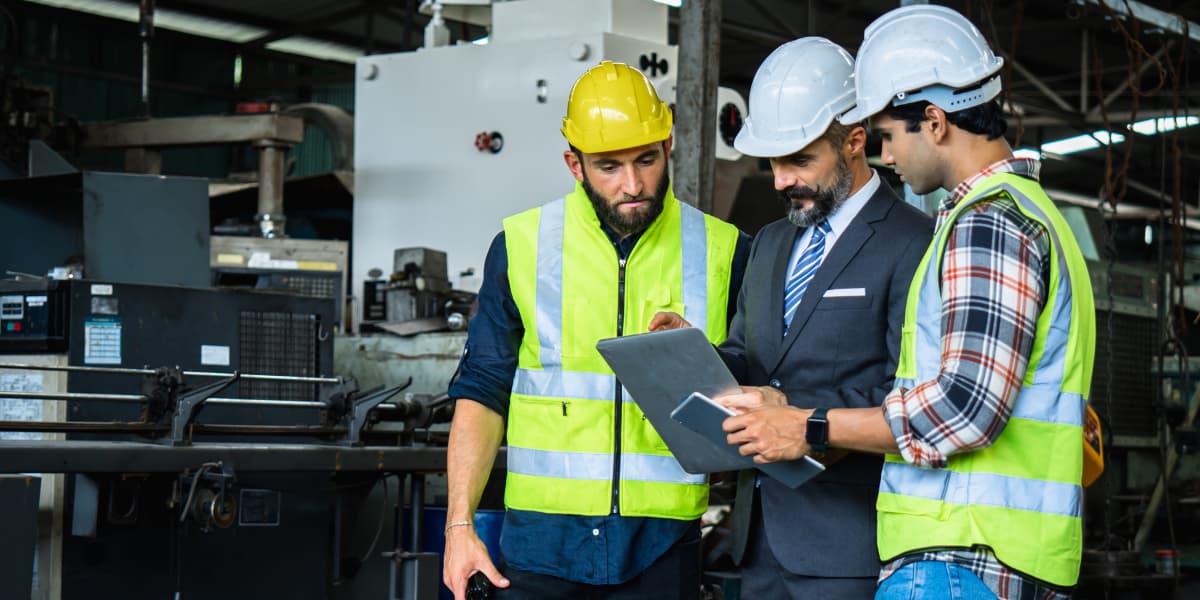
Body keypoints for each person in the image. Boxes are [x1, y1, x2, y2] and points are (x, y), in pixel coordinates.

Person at [720, 6, 1096, 599]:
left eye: (889, 137)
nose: (887, 157)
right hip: (983, 554)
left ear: (935, 120)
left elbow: (964, 408)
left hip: (963, 552)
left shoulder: (988, 225)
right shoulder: (1019, 216)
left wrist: (809, 426)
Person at [441, 60, 751, 600]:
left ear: (669, 144)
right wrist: (459, 527)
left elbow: (754, 389)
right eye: (609, 166)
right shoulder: (521, 246)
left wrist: (700, 360)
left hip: (662, 546)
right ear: (574, 164)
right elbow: (481, 393)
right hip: (539, 547)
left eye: (647, 160)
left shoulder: (725, 250)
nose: (633, 185)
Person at [651, 37, 931, 598]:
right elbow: (748, 358)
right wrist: (696, 357)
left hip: (851, 541)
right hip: (758, 540)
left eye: (800, 160)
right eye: (773, 162)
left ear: (855, 141)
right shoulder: (772, 243)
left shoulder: (913, 242)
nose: (780, 180)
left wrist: (804, 419)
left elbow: (913, 392)